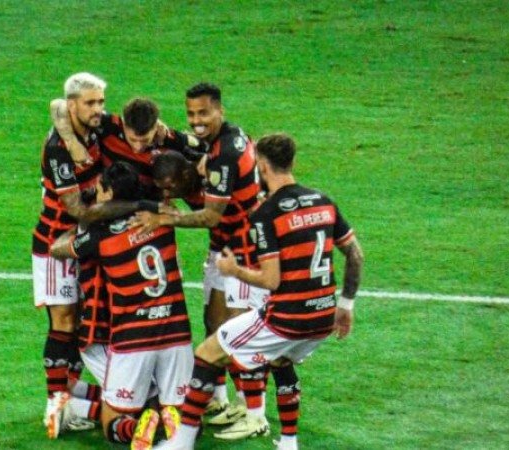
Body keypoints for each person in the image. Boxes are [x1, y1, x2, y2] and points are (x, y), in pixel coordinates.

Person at [153, 133, 365, 450]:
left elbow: (271, 280)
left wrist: (234, 270)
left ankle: (181, 442)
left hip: (286, 319)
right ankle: (288, 443)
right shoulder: (324, 201)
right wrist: (345, 305)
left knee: (208, 353)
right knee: (279, 360)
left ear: (262, 166)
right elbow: (355, 255)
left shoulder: (267, 213)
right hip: (323, 318)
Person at [33, 72, 163, 439]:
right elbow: (75, 208)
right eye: (91, 103)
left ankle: (74, 400)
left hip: (88, 241)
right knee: (63, 322)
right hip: (57, 241)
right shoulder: (58, 148)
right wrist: (135, 205)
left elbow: (58, 106)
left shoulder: (98, 127)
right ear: (73, 105)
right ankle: (56, 403)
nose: (99, 109)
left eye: (101, 101)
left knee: (84, 324)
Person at [132, 83, 268, 428]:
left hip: (244, 250)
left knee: (239, 331)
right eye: (191, 113)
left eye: (204, 113)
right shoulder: (225, 138)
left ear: (219, 110)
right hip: (224, 247)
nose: (196, 120)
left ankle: (252, 412)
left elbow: (211, 216)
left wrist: (165, 219)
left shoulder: (225, 155)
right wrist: (169, 135)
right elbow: (193, 144)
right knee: (215, 323)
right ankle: (218, 399)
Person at [52, 162, 194, 449]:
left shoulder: (99, 236)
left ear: (107, 193)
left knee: (112, 422)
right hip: (176, 330)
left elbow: (57, 249)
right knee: (183, 412)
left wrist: (83, 222)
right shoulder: (162, 218)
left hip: (132, 336)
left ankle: (136, 427)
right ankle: (170, 422)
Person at [51, 97, 207, 199]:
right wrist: (71, 141)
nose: (138, 148)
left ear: (155, 127)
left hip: (145, 214)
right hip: (107, 207)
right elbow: (59, 105)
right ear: (123, 124)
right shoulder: (108, 126)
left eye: (145, 140)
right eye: (132, 140)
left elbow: (205, 146)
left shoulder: (167, 138)